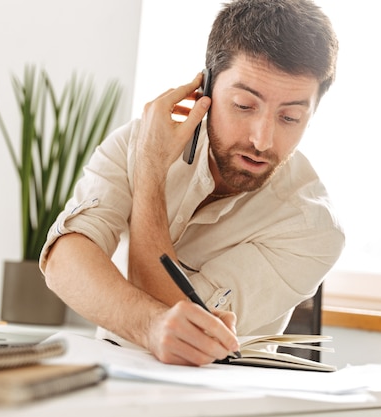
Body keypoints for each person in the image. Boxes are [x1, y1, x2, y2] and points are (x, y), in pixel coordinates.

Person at [41, 0, 343, 366]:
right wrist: (150, 326)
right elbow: (64, 260)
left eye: (290, 117)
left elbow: (189, 327)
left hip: (221, 394)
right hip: (109, 378)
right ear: (205, 90)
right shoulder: (139, 139)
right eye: (245, 106)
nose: (262, 139)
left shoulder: (313, 228)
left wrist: (149, 173)